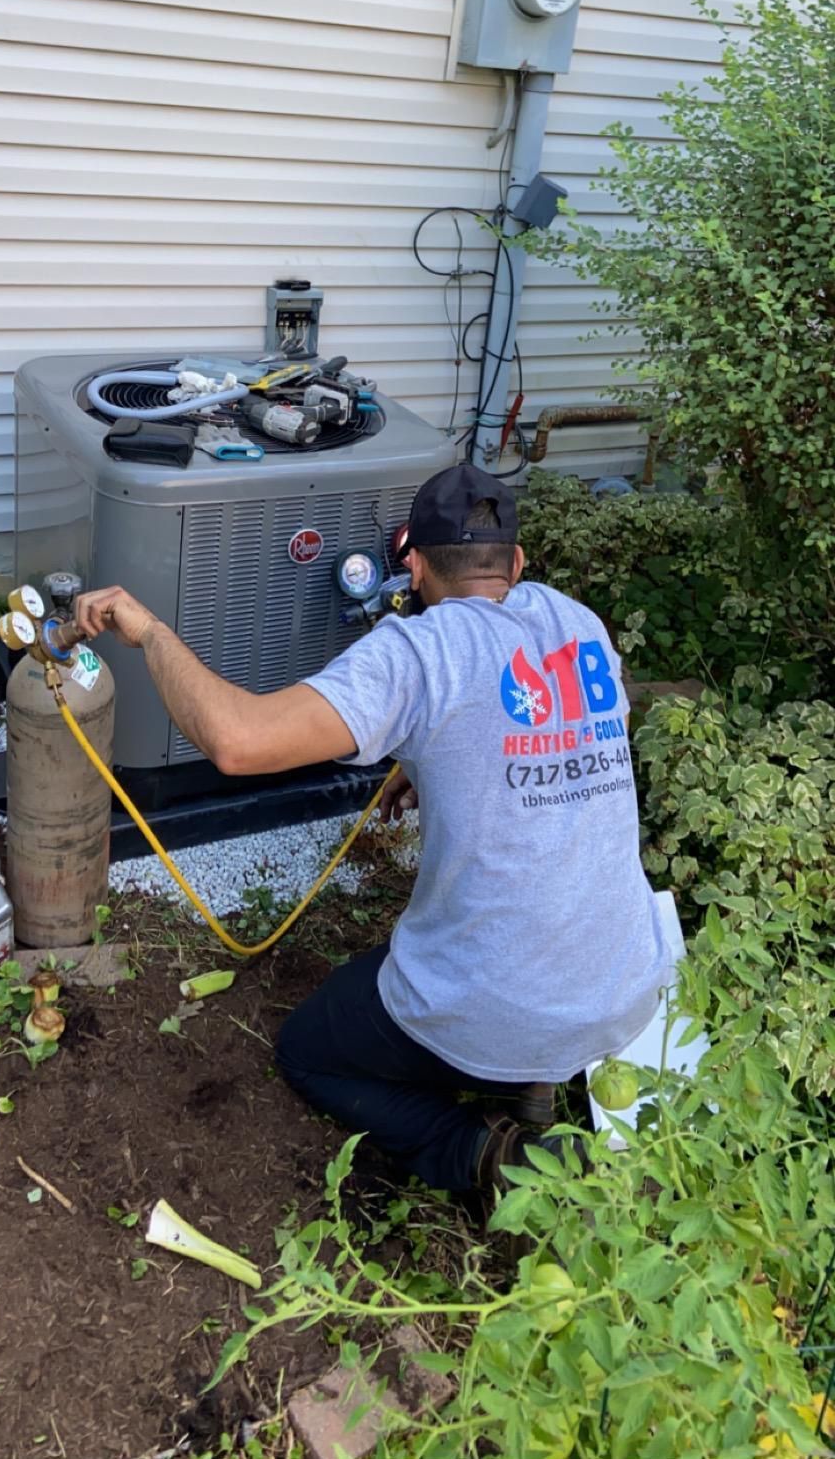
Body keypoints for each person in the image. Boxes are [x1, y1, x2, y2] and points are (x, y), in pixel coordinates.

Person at [75, 462, 670, 1196]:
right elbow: (542, 727)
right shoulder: (579, 623)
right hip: (624, 989)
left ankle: (484, 1156)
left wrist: (150, 630)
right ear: (517, 562)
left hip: (502, 1006)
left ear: (413, 565)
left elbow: (236, 739)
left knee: (308, 1051)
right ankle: (534, 1086)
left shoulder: (417, 653)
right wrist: (427, 760)